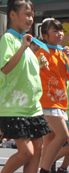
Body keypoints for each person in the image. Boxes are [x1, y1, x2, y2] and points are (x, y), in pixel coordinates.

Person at [0, 0, 51, 173]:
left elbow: (25, 73)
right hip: (14, 107)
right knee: (26, 152)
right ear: (12, 15)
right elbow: (6, 68)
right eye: (26, 14)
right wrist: (24, 47)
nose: (30, 19)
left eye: (32, 15)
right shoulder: (9, 39)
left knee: (38, 151)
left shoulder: (25, 42)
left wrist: (39, 63)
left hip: (32, 107)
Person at [36, 18, 69, 173]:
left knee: (49, 140)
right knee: (63, 135)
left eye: (61, 30)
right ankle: (45, 169)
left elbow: (66, 76)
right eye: (55, 31)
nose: (60, 34)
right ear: (45, 35)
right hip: (47, 102)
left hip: (60, 103)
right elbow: (33, 73)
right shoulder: (41, 52)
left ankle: (45, 167)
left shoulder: (62, 53)